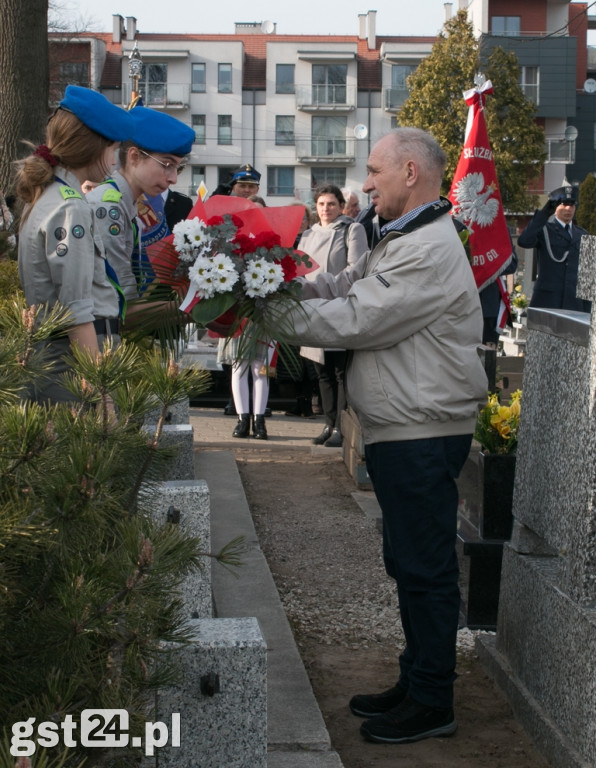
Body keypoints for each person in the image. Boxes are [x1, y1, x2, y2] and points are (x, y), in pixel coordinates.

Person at [284, 128, 488, 744]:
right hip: (405, 425)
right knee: (408, 560)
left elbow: (358, 318)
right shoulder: (405, 235)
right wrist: (277, 285)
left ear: (409, 172)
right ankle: (417, 678)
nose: (365, 184)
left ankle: (432, 700)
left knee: (425, 567)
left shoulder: (424, 245)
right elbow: (342, 287)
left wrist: (269, 315)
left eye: (373, 171)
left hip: (421, 431)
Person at [15, 85, 134, 404]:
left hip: (57, 359)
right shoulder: (71, 208)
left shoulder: (46, 196)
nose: (114, 162)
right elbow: (77, 311)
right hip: (73, 367)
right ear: (93, 148)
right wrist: (101, 395)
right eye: (113, 149)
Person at [86, 105, 194, 303]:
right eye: (167, 165)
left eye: (178, 168)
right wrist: (189, 310)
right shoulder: (109, 208)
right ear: (134, 156)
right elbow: (122, 300)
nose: (173, 179)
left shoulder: (127, 203)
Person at [298, 183, 368, 447]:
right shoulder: (307, 234)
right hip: (312, 307)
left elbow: (356, 270)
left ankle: (341, 427)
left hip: (339, 307)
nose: (326, 209)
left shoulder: (353, 229)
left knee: (341, 372)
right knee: (322, 372)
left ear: (340, 206)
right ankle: (328, 424)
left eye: (331, 204)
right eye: (321, 204)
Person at [517, 184, 591, 313]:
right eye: (564, 204)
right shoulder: (544, 229)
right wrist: (543, 214)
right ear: (555, 207)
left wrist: (587, 312)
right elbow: (524, 241)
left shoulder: (583, 234)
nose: (568, 208)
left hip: (574, 305)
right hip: (547, 302)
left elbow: (587, 278)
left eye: (572, 204)